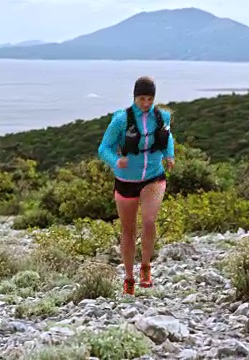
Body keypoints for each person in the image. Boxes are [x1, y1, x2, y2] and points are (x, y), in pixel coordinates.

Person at [97, 76, 175, 296]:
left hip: (154, 176)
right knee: (128, 230)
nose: (146, 103)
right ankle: (129, 278)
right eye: (142, 98)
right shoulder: (121, 120)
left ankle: (146, 267)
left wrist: (169, 155)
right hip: (126, 180)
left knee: (149, 221)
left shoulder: (162, 116)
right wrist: (116, 161)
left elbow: (167, 137)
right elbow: (104, 148)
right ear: (135, 97)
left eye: (150, 98)